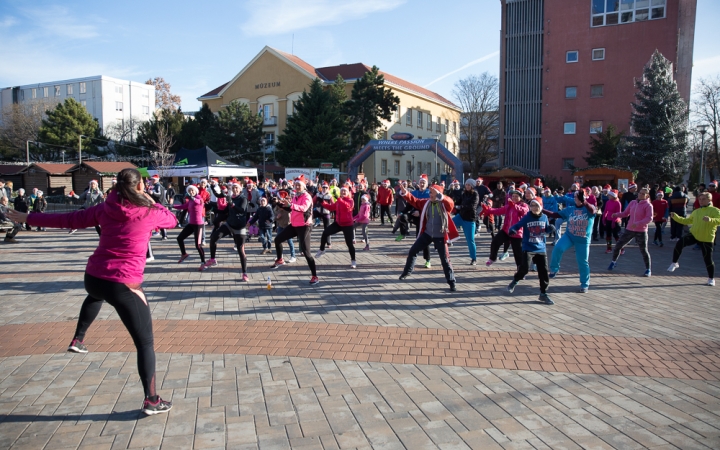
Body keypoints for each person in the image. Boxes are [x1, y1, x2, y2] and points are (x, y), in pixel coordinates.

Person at [8, 168, 177, 415]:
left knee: (97, 295)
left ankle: (79, 338)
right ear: (140, 187)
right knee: (146, 343)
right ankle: (151, 400)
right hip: (122, 283)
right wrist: (152, 200)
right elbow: (171, 220)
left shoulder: (104, 208)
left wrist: (28, 218)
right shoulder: (147, 212)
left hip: (94, 278)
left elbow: (68, 219)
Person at [398, 183, 458, 291]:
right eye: (430, 192)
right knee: (413, 251)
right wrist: (405, 192)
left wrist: (441, 196)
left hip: (440, 236)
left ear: (438, 194)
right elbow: (414, 201)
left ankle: (452, 282)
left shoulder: (444, 204)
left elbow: (451, 203)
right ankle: (406, 272)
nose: (430, 194)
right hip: (427, 233)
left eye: (433, 193)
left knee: (445, 260)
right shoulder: (427, 202)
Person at [544, 189, 596, 293]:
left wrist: (584, 202)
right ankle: (554, 269)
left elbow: (593, 211)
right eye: (575, 197)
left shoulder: (589, 208)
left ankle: (584, 284)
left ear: (584, 198)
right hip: (569, 236)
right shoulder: (570, 209)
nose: (576, 199)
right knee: (558, 248)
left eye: (579, 197)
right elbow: (555, 215)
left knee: (583, 262)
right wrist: (541, 210)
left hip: (583, 240)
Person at [506, 197, 555, 304]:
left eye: (536, 205)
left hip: (541, 248)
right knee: (524, 268)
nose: (534, 208)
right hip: (528, 247)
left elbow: (546, 230)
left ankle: (543, 293)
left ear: (541, 206)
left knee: (543, 272)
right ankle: (515, 280)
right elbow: (517, 225)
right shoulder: (527, 217)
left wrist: (550, 229)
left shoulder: (544, 217)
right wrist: (513, 229)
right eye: (532, 205)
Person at [271, 176, 319, 284]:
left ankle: (315, 276)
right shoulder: (295, 196)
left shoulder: (307, 196)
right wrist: (278, 203)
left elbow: (303, 208)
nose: (297, 187)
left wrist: (291, 205)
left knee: (306, 253)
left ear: (303, 186)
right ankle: (280, 259)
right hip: (294, 225)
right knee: (278, 239)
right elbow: (290, 209)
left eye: (299, 185)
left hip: (305, 226)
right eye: (296, 185)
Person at [667, 192, 720, 286]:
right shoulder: (696, 211)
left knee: (707, 259)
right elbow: (687, 221)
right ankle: (674, 263)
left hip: (707, 237)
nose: (701, 201)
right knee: (680, 243)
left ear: (709, 200)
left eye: (703, 199)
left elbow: (719, 221)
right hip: (694, 234)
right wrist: (676, 217)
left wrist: (711, 220)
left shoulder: (715, 210)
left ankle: (711, 279)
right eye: (700, 199)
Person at [205, 183, 253, 281]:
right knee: (213, 237)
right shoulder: (231, 198)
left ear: (240, 189)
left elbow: (242, 210)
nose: (235, 189)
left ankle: (244, 273)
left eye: (236, 188)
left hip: (240, 227)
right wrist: (211, 207)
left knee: (240, 250)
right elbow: (224, 211)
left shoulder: (243, 199)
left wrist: (232, 204)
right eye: (233, 188)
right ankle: (213, 259)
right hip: (229, 224)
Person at [607, 187, 653, 277]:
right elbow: (625, 213)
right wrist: (617, 214)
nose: (640, 194)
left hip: (641, 230)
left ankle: (648, 269)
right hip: (630, 229)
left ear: (647, 195)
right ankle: (613, 262)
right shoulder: (633, 202)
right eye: (640, 192)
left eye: (643, 194)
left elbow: (649, 218)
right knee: (618, 246)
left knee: (644, 250)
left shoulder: (648, 205)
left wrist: (638, 223)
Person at [482, 188, 528, 268]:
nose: (514, 198)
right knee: (495, 242)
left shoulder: (524, 205)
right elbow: (499, 210)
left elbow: (524, 211)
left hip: (517, 233)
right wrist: (488, 210)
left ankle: (520, 271)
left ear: (520, 197)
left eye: (516, 196)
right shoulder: (509, 206)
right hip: (506, 230)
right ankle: (492, 258)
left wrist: (514, 206)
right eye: (513, 196)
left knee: (518, 253)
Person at [316, 186, 358, 268]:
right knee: (325, 232)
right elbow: (331, 207)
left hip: (347, 225)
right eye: (342, 191)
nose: (343, 193)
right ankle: (322, 249)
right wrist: (322, 202)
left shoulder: (350, 200)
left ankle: (353, 260)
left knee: (349, 244)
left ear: (348, 193)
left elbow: (348, 207)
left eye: (344, 191)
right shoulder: (339, 201)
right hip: (338, 223)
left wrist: (340, 200)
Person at [173, 185, 206, 271]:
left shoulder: (199, 198)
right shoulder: (190, 200)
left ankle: (203, 263)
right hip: (191, 224)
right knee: (179, 238)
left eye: (192, 191)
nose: (191, 192)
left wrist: (191, 197)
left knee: (198, 245)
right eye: (190, 191)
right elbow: (183, 206)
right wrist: (173, 206)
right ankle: (184, 254)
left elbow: (199, 202)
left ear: (195, 191)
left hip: (199, 225)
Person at [453, 179, 480, 265]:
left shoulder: (475, 194)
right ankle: (449, 240)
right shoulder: (464, 193)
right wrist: (451, 202)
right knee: (449, 223)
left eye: (469, 185)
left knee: (470, 240)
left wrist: (461, 207)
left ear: (472, 186)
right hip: (461, 216)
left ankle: (473, 258)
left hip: (470, 219)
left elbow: (473, 206)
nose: (467, 186)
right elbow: (458, 201)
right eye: (466, 184)